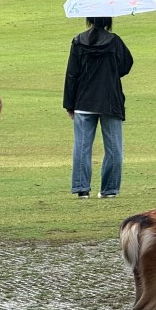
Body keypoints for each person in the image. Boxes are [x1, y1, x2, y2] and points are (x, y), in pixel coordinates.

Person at [63, 16, 133, 198]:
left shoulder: (78, 41)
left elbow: (72, 74)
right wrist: (110, 73)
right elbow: (126, 64)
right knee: (114, 148)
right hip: (109, 100)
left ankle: (81, 189)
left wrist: (69, 104)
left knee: (82, 147)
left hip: (83, 101)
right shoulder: (114, 41)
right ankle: (109, 189)